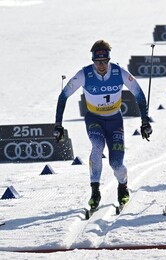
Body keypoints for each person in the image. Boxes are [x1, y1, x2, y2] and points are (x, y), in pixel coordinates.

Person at [53, 40, 152, 210]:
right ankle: (95, 191)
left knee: (116, 164)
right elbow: (63, 96)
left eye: (104, 62)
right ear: (93, 61)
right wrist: (58, 125)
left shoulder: (119, 72)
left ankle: (122, 185)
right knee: (97, 146)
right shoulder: (84, 74)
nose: (101, 66)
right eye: (97, 62)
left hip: (115, 121)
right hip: (94, 119)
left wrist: (144, 122)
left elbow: (139, 94)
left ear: (109, 60)